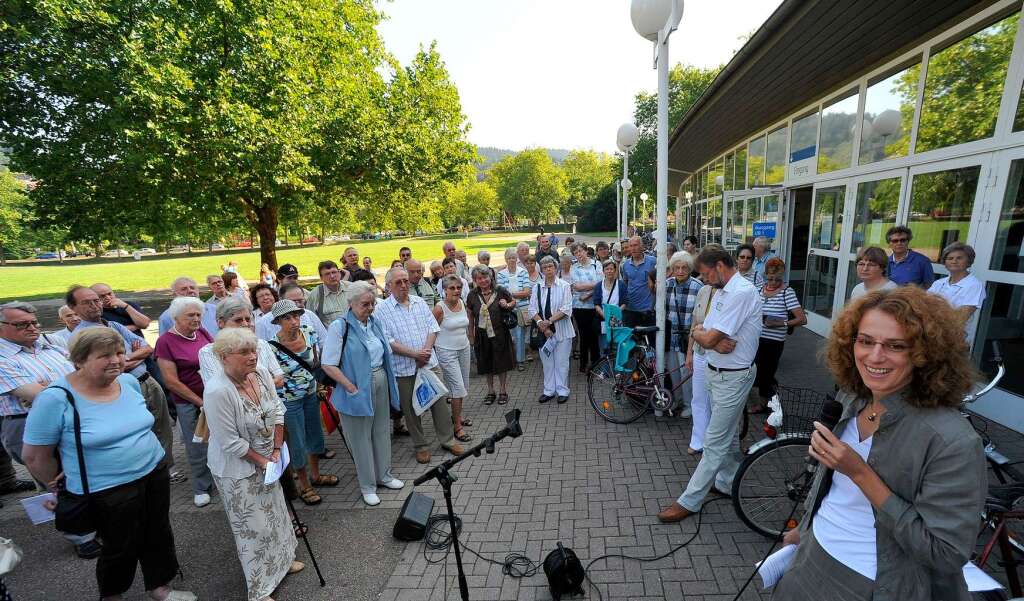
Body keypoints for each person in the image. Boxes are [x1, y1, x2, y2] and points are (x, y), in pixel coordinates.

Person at [771, 286, 986, 600]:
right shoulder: (853, 397)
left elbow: (946, 553)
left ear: (925, 352)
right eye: (865, 340)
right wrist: (805, 527)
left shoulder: (951, 441)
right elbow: (832, 487)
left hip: (871, 583)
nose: (874, 356)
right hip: (809, 558)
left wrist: (861, 474)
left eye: (895, 345)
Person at [23, 328, 195, 601]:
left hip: (153, 473)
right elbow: (34, 456)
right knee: (120, 545)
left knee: (158, 532)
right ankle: (112, 595)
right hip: (107, 489)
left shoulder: (127, 382)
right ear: (79, 360)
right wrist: (57, 486)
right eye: (104, 355)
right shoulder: (56, 398)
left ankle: (160, 587)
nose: (116, 360)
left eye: (118, 352)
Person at [658, 246, 761, 523]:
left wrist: (708, 337)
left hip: (733, 376)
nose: (702, 279)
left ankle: (689, 501)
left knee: (714, 442)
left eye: (704, 273)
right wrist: (706, 336)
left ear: (718, 265)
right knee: (724, 436)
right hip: (718, 372)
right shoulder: (722, 290)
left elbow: (709, 336)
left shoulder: (740, 292)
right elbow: (701, 329)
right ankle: (728, 482)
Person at [203, 328, 303, 600]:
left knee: (277, 515)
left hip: (269, 458)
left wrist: (277, 448)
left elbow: (278, 410)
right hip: (237, 470)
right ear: (224, 357)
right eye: (244, 352)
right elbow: (230, 442)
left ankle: (282, 564)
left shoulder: (259, 374)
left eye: (253, 350)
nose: (252, 356)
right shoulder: (217, 391)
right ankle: (259, 590)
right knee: (253, 528)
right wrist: (264, 461)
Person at [0, 302, 98, 558]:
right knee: (59, 484)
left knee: (82, 475)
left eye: (34, 322)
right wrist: (50, 390)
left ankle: (97, 523)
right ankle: (81, 537)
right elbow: (37, 396)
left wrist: (49, 389)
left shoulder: (50, 345)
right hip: (27, 422)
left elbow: (87, 374)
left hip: (75, 416)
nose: (32, 328)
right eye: (22, 324)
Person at [69, 286, 175, 490]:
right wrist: (130, 358)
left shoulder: (113, 325)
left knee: (162, 427)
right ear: (73, 307)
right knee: (140, 430)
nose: (95, 305)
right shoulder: (80, 337)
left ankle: (164, 470)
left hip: (147, 380)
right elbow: (107, 369)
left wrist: (126, 358)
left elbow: (147, 348)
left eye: (97, 300)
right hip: (122, 389)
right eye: (88, 302)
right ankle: (144, 474)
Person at [321, 282, 404, 505]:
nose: (370, 308)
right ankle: (367, 486)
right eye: (365, 304)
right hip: (355, 388)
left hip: (379, 380)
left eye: (373, 303)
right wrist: (351, 388)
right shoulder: (340, 327)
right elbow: (328, 364)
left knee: (381, 431)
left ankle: (384, 476)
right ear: (351, 304)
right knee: (360, 440)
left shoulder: (374, 322)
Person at [377, 268, 463, 464]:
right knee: (411, 409)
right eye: (398, 282)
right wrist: (414, 354)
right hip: (404, 368)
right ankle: (421, 446)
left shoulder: (419, 302)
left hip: (428, 363)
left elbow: (433, 328)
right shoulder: (382, 310)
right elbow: (388, 341)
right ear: (389, 286)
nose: (403, 285)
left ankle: (448, 440)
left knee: (439, 403)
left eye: (405, 281)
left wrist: (424, 352)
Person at [266, 300, 334, 506]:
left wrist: (321, 384)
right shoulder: (271, 346)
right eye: (288, 318)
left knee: (315, 435)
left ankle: (316, 476)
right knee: (297, 442)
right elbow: (273, 376)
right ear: (278, 321)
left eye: (296, 316)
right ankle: (304, 486)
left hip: (311, 394)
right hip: (289, 401)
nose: (294, 321)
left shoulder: (308, 331)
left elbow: (315, 361)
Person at [154, 296, 216, 507]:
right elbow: (171, 381)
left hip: (212, 396)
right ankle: (201, 487)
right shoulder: (165, 342)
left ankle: (220, 478)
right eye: (191, 315)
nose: (196, 318)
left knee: (219, 440)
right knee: (197, 444)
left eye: (199, 314)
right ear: (176, 317)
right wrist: (199, 402)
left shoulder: (202, 333)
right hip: (188, 402)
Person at [751, 258, 806, 413]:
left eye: (777, 279)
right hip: (756, 338)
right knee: (760, 372)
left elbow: (802, 319)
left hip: (774, 341)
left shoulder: (787, 292)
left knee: (766, 374)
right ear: (765, 275)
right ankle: (767, 400)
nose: (773, 282)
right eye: (770, 278)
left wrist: (781, 323)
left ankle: (771, 406)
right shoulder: (759, 289)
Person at [199, 298, 285, 389]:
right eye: (238, 320)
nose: (245, 324)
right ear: (221, 323)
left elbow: (279, 381)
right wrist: (266, 383)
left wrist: (245, 388)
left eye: (247, 319)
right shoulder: (209, 352)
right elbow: (219, 390)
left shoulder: (262, 344)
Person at [466, 264, 517, 403]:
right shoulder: (472, 295)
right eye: (479, 278)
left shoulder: (500, 290)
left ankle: (503, 391)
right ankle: (490, 391)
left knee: (502, 362)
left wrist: (507, 304)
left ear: (491, 276)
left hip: (500, 334)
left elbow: (513, 302)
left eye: (485, 277)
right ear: (475, 280)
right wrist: (471, 335)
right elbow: (470, 316)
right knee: (486, 363)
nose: (483, 281)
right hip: (482, 336)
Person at [432, 275, 473, 443]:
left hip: (464, 349)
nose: (456, 291)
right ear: (444, 290)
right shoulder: (439, 308)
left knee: (463, 386)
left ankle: (457, 416)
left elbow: (467, 323)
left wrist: (471, 339)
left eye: (458, 287)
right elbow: (431, 331)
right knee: (457, 388)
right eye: (452, 288)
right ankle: (457, 427)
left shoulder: (462, 303)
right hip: (446, 352)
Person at [529, 256, 575, 404]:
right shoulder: (537, 287)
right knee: (547, 363)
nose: (548, 269)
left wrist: (549, 321)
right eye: (545, 267)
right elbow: (532, 309)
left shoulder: (564, 286)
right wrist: (541, 323)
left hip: (561, 331)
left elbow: (566, 308)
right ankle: (549, 391)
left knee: (561, 362)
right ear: (541, 270)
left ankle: (562, 390)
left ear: (556, 268)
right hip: (544, 333)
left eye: (551, 266)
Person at [664, 251, 703, 418]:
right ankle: (677, 399)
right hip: (670, 336)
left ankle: (689, 404)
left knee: (687, 372)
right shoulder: (667, 285)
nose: (680, 271)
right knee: (673, 371)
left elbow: (700, 316)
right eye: (677, 267)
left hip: (688, 338)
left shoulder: (697, 287)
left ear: (690, 268)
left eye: (684, 268)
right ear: (672, 268)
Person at [928, 241, 986, 344]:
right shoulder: (938, 283)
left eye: (959, 258)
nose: (954, 261)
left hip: (953, 340)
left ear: (969, 261)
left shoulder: (974, 285)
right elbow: (923, 306)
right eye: (950, 258)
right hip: (931, 335)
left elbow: (961, 317)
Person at [256, 283, 328, 343]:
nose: (297, 305)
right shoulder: (263, 323)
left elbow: (324, 341)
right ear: (281, 300)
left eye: (300, 301)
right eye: (292, 302)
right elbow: (262, 350)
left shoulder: (309, 315)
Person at [497, 248, 530, 370]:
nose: (512, 260)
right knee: (508, 336)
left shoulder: (523, 272)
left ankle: (520, 360)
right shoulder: (501, 274)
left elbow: (526, 292)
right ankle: (509, 360)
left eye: (514, 258)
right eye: (509, 258)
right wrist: (512, 300)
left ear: (517, 259)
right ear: (506, 259)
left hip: (520, 309)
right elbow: (500, 293)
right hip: (506, 310)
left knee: (520, 335)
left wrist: (511, 298)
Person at [621, 236, 658, 345]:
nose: (633, 248)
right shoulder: (625, 265)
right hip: (630, 310)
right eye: (631, 246)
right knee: (631, 343)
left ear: (642, 246)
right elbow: (626, 283)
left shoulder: (652, 261)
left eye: (636, 245)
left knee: (650, 343)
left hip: (648, 310)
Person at [570, 243, 600, 373]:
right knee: (583, 335)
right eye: (576, 253)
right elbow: (577, 286)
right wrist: (594, 286)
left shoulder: (596, 264)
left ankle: (596, 363)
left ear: (586, 251)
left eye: (580, 251)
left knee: (594, 335)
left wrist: (588, 294)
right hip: (579, 307)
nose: (579, 254)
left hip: (595, 306)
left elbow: (601, 284)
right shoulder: (574, 267)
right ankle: (583, 364)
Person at [306, 260, 351, 326]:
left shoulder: (352, 288)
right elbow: (310, 321)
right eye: (327, 274)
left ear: (339, 273)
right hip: (331, 335)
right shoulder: (315, 295)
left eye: (334, 272)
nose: (332, 276)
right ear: (321, 278)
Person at [593, 259, 621, 356]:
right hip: (603, 320)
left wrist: (616, 314)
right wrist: (606, 315)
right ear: (603, 271)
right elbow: (596, 303)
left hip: (618, 320)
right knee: (604, 346)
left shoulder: (621, 285)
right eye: (607, 269)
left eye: (611, 269)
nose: (609, 271)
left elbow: (625, 302)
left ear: (615, 270)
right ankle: (605, 370)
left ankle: (616, 370)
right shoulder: (598, 286)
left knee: (617, 346)